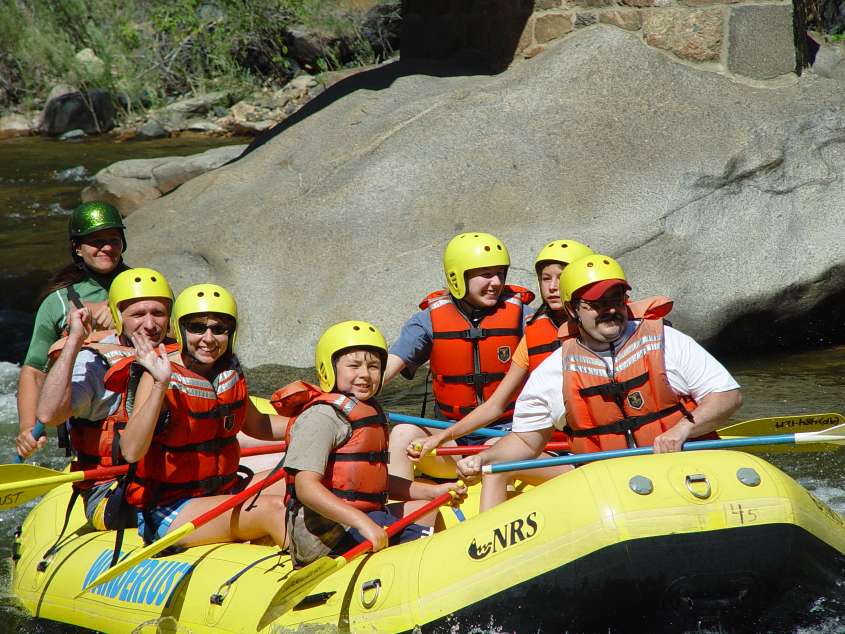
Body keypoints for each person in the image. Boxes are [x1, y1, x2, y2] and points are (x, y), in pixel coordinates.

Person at [456, 254, 742, 508]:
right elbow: (525, 441)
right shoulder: (555, 370)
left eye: (616, 300)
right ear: (572, 310)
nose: (610, 310)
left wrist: (681, 430)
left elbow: (727, 396)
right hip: (613, 493)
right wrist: (485, 459)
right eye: (596, 304)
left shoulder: (666, 342)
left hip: (687, 475)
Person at [109, 284, 287, 547]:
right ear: (180, 330)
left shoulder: (226, 370)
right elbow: (132, 451)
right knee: (272, 509)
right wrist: (160, 384)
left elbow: (257, 424)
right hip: (171, 510)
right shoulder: (158, 373)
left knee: (302, 480)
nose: (208, 338)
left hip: (222, 492)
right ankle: (314, 572)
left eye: (219, 328)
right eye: (197, 327)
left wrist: (313, 427)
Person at [278, 321, 465, 567]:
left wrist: (433, 491)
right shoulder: (321, 417)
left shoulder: (367, 411)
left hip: (361, 520)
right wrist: (362, 522)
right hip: (327, 537)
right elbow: (306, 488)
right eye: (354, 365)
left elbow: (374, 482)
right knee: (424, 525)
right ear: (329, 368)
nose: (365, 374)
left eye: (374, 366)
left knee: (426, 507)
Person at [404, 240, 594, 478]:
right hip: (542, 446)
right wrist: (442, 437)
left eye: (561, 278)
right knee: (491, 462)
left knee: (495, 461)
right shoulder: (534, 335)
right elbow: (495, 404)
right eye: (546, 279)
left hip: (592, 452)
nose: (553, 287)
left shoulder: (619, 334)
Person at [20, 268, 174, 531]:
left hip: (172, 477)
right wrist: (73, 342)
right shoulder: (93, 361)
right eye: (138, 315)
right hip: (111, 490)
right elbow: (50, 415)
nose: (150, 324)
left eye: (158, 313)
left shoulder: (179, 354)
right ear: (117, 316)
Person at [384, 232, 534, 481]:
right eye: (486, 274)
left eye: (500, 273)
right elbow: (390, 366)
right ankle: (400, 510)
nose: (496, 282)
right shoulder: (427, 321)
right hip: (449, 437)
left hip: (504, 434)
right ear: (457, 277)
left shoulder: (522, 316)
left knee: (496, 448)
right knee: (402, 433)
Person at [17, 201, 129, 457]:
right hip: (88, 417)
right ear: (77, 248)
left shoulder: (142, 286)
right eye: (96, 241)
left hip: (138, 409)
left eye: (113, 239)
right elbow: (34, 370)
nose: (107, 247)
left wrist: (116, 312)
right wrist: (27, 427)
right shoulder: (57, 302)